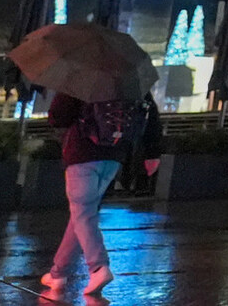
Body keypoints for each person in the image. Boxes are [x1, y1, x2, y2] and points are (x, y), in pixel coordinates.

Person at [40, 90, 162, 298]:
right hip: (114, 155)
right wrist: (152, 153)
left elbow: (58, 116)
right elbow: (152, 116)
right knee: (82, 215)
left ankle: (98, 267)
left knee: (82, 213)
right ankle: (58, 273)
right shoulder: (131, 79)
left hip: (82, 154)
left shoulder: (82, 79)